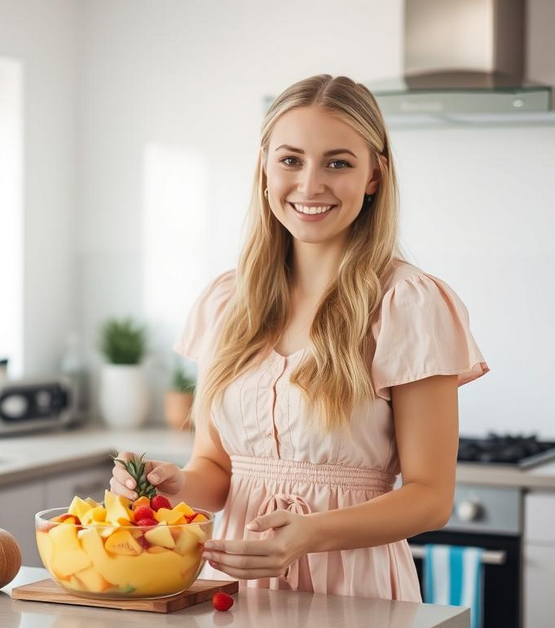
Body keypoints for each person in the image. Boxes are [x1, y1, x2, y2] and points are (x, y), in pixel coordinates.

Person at [110, 74, 489, 600]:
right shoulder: (227, 303)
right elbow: (217, 471)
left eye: (338, 162)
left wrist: (308, 536)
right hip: (239, 587)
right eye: (291, 160)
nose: (310, 185)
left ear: (374, 176)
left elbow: (431, 498)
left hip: (357, 590)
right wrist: (173, 483)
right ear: (265, 168)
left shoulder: (408, 303)